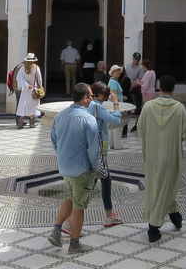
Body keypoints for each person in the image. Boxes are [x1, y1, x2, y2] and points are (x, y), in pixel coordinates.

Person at [138, 74, 186, 243]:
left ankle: (173, 217)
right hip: (171, 156)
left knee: (157, 188)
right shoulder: (179, 109)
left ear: (159, 87)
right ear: (174, 88)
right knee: (166, 187)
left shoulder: (148, 107)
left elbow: (140, 130)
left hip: (152, 156)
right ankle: (154, 228)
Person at [47, 83, 99, 254]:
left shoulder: (60, 116)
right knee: (79, 205)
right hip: (82, 169)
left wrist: (64, 156)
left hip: (65, 167)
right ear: (85, 98)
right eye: (91, 97)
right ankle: (74, 244)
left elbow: (54, 141)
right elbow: (93, 148)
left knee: (71, 197)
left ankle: (56, 230)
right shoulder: (88, 119)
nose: (92, 100)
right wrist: (95, 167)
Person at [87, 81, 124, 227]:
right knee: (104, 181)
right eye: (106, 95)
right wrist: (116, 104)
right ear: (100, 94)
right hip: (99, 148)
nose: (107, 97)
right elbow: (116, 120)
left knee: (94, 182)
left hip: (93, 147)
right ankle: (108, 216)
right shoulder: (97, 107)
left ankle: (108, 215)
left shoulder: (89, 105)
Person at [16, 53, 43, 129]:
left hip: (25, 90)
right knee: (32, 106)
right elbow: (39, 78)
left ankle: (20, 122)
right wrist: (40, 86)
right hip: (34, 89)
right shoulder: (36, 68)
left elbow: (18, 78)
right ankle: (31, 123)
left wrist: (26, 84)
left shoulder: (22, 68)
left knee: (23, 105)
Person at [125, 52, 145, 133]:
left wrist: (132, 87)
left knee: (137, 107)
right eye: (135, 59)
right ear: (132, 58)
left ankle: (137, 124)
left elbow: (140, 79)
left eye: (138, 59)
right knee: (127, 106)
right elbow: (126, 75)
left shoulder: (140, 68)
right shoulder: (128, 66)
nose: (137, 61)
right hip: (128, 88)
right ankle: (125, 125)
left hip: (136, 89)